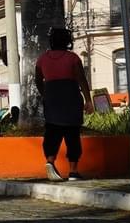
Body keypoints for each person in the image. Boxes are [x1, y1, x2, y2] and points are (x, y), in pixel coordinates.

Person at [33, 27, 92, 180]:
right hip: (70, 96)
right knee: (72, 133)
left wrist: (45, 93)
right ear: (67, 41)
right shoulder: (73, 58)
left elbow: (38, 80)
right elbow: (81, 79)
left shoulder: (42, 59)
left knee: (52, 131)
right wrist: (88, 100)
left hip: (52, 96)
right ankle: (73, 171)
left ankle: (50, 161)